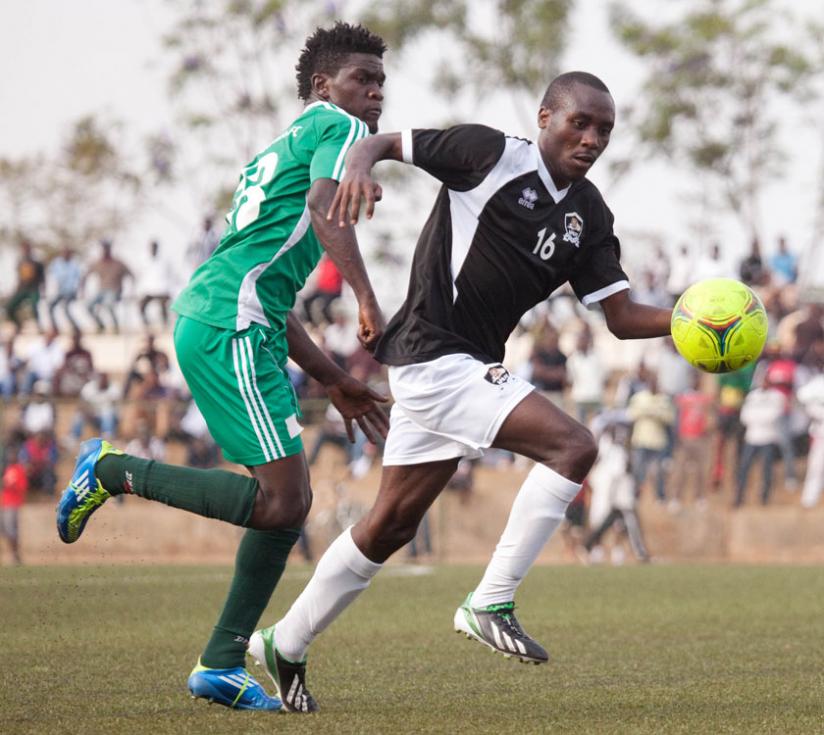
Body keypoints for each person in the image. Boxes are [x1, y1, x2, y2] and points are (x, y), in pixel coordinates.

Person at [251, 71, 673, 711]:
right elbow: (379, 144)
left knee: (390, 524)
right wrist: (359, 168)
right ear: (544, 117)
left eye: (604, 130)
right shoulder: (490, 154)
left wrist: (694, 320)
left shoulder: (589, 216)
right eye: (579, 123)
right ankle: (491, 598)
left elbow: (619, 316)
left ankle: (284, 641)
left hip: (459, 365)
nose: (591, 138)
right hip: (433, 355)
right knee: (575, 447)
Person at [56, 22, 390, 713]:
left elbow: (268, 284)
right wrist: (364, 294)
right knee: (285, 501)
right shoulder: (338, 128)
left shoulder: (285, 144)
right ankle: (113, 471)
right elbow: (330, 218)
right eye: (365, 80)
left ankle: (220, 661)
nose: (377, 94)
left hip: (237, 318)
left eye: (382, 83)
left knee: (284, 502)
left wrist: (332, 376)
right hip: (229, 321)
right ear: (325, 88)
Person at [84, 239, 133, 333]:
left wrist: (130, 291)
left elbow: (131, 275)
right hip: (101, 291)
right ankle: (100, 325)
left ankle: (115, 326)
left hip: (115, 290)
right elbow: (85, 276)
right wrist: (83, 289)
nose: (105, 251)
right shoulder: (98, 263)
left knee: (108, 305)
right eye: (103, 248)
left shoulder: (118, 263)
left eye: (107, 248)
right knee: (88, 306)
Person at [6, 241, 45, 333]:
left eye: (27, 249)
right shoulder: (20, 263)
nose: (25, 251)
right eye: (23, 249)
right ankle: (18, 326)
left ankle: (38, 326)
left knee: (34, 306)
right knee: (9, 307)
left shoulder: (37, 263)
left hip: (33, 289)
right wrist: (14, 291)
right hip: (22, 289)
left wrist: (43, 291)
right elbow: (19, 278)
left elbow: (42, 278)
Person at [46, 246, 83, 333]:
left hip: (71, 292)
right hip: (60, 292)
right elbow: (51, 274)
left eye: (67, 253)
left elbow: (80, 279)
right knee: (50, 306)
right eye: (64, 253)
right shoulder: (57, 263)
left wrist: (79, 291)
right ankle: (55, 328)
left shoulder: (75, 265)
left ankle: (76, 328)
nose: (65, 255)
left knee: (65, 308)